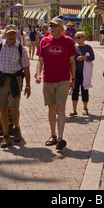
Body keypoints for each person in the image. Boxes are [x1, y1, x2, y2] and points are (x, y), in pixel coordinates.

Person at [35, 17, 76, 151]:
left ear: (61, 28)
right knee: (51, 108)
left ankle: (60, 138)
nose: (52, 28)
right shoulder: (44, 41)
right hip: (48, 79)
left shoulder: (68, 41)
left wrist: (73, 79)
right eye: (51, 26)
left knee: (61, 107)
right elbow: (40, 60)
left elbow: (72, 62)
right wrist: (38, 73)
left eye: (55, 26)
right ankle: (52, 135)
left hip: (63, 79)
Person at [0, 24, 31, 148]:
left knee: (14, 107)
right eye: (9, 34)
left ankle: (16, 128)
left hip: (15, 80)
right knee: (2, 108)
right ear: (5, 35)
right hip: (1, 80)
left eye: (14, 33)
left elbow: (26, 69)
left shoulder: (21, 49)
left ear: (17, 35)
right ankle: (6, 135)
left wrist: (28, 86)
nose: (11, 36)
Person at [69, 31, 95, 117]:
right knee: (75, 90)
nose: (76, 39)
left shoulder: (88, 47)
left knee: (85, 90)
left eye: (78, 37)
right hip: (75, 72)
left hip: (85, 72)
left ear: (84, 38)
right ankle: (74, 109)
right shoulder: (73, 47)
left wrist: (84, 57)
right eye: (75, 37)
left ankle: (85, 108)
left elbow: (92, 57)